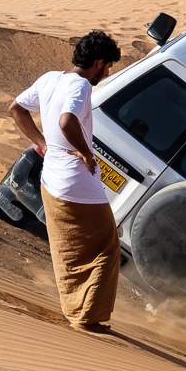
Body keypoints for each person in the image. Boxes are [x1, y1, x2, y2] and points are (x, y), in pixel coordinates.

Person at [9, 31, 122, 334]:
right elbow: (66, 121)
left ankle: (77, 309)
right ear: (98, 63)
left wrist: (42, 144)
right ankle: (89, 317)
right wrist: (86, 153)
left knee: (69, 249)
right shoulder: (81, 85)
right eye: (108, 66)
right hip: (76, 182)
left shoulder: (49, 79)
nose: (107, 72)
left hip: (51, 179)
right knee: (106, 247)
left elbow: (16, 109)